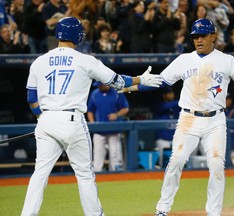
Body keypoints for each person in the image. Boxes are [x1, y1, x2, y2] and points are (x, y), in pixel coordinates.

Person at [119, 18, 234, 216]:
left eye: (202, 36)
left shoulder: (227, 60)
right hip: (189, 119)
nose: (198, 40)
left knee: (216, 165)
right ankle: (162, 209)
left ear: (213, 36)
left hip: (215, 120)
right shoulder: (184, 60)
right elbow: (161, 81)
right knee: (176, 161)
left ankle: (213, 213)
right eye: (195, 36)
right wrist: (132, 87)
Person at [21, 16, 162, 216]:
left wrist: (40, 118)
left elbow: (31, 97)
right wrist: (141, 79)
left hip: (46, 120)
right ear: (76, 35)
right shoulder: (85, 60)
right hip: (71, 121)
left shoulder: (39, 61)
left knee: (39, 175)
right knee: (85, 175)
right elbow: (118, 82)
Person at [87, 82, 129, 172]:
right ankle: (97, 178)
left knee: (115, 156)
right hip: (99, 131)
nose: (100, 86)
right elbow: (90, 111)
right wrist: (93, 123)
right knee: (98, 157)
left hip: (114, 130)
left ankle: (116, 177)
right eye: (99, 85)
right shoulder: (94, 93)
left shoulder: (117, 92)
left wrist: (116, 115)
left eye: (102, 84)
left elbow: (125, 108)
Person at [153, 87, 181, 168]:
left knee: (178, 161)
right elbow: (165, 107)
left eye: (172, 93)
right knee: (161, 162)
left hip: (175, 139)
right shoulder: (158, 105)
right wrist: (182, 100)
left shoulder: (177, 106)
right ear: (164, 95)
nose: (172, 95)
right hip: (162, 139)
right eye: (169, 93)